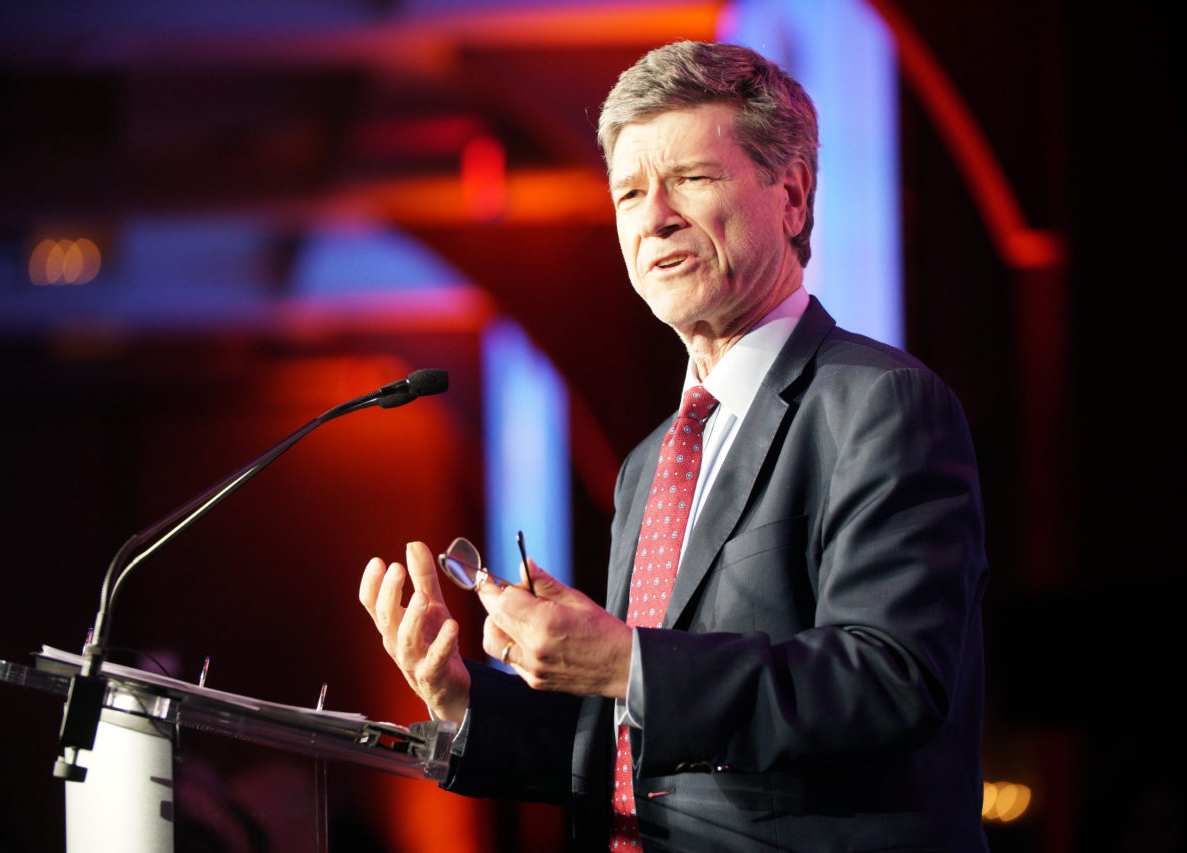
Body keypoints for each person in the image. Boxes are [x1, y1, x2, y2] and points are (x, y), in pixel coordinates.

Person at [360, 41, 988, 852]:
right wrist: (463, 698)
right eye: (628, 192)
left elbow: (888, 682)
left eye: (690, 179)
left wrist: (628, 660)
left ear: (792, 197)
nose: (653, 216)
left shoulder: (879, 404)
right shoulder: (649, 462)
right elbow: (636, 757)